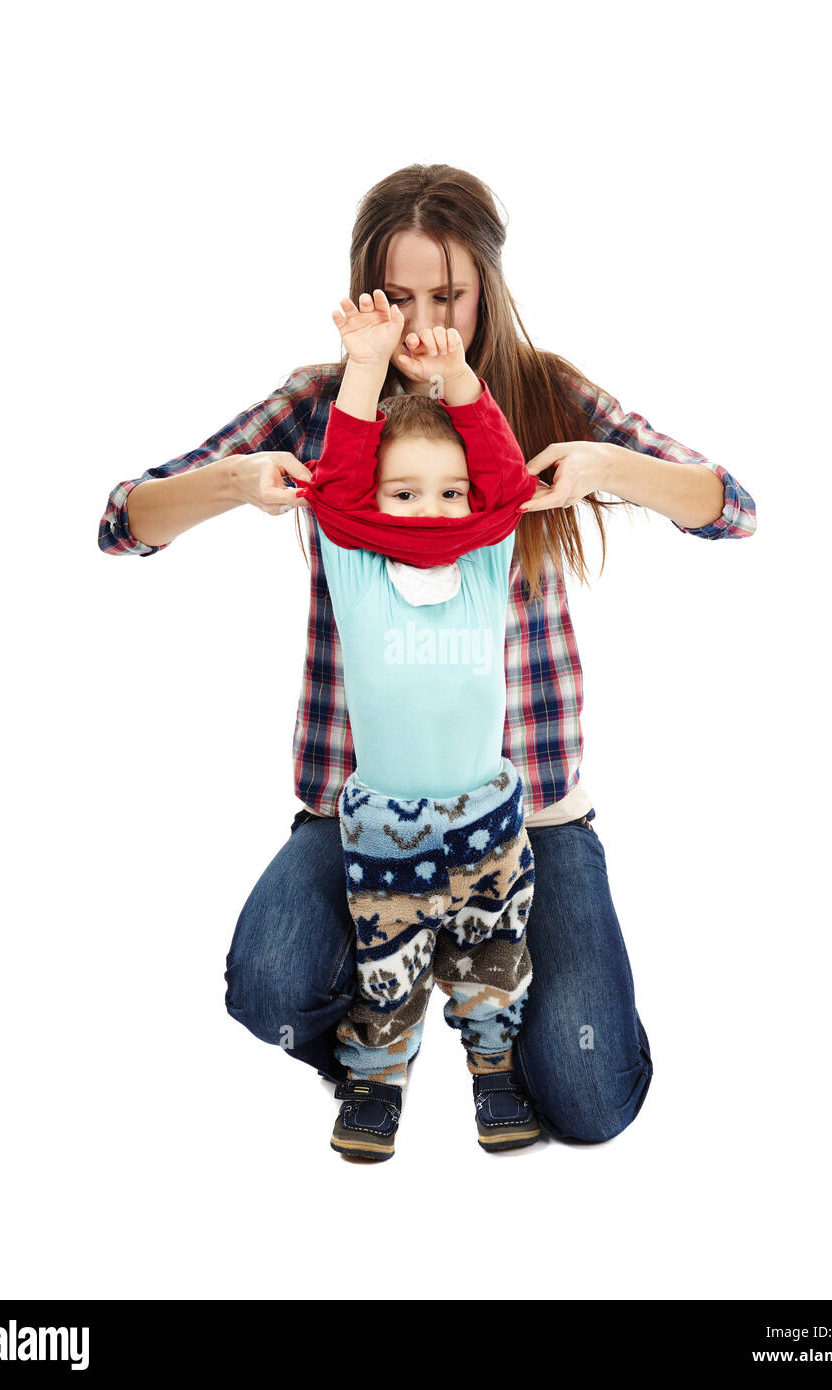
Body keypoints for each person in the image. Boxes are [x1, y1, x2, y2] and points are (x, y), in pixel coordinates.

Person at [98, 164, 757, 1146]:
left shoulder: (542, 396)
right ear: (365, 291)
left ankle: (494, 1004)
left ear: (485, 287)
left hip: (526, 808)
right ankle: (386, 1026)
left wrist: (601, 468)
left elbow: (732, 508)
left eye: (444, 296)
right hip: (366, 811)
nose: (417, 325)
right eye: (396, 297)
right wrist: (237, 483)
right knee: (272, 985)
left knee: (588, 1095)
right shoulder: (324, 407)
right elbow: (123, 520)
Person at [300, 289, 542, 1160]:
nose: (433, 511)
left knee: (494, 959)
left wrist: (458, 383)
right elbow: (337, 491)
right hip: (384, 825)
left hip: (487, 818)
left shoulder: (481, 566)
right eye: (404, 494)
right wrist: (366, 370)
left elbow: (506, 488)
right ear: (374, 503)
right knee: (387, 966)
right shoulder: (357, 571)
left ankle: (496, 1071)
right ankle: (376, 1081)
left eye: (449, 494)